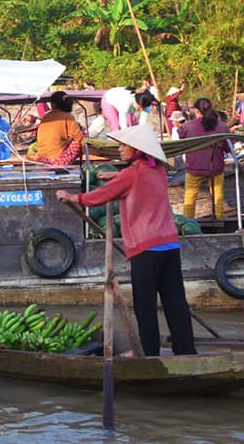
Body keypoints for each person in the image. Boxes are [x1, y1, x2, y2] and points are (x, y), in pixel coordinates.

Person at [56, 124, 196, 357]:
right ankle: (186, 351)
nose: (120, 149)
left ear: (138, 150)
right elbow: (134, 179)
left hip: (146, 247)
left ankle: (148, 353)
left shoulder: (132, 174)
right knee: (175, 301)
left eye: (124, 146)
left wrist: (72, 196)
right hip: (169, 245)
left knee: (145, 304)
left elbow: (100, 196)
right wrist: (116, 175)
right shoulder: (157, 169)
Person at [178, 97, 231, 219]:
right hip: (215, 168)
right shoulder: (222, 127)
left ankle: (188, 224)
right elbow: (229, 147)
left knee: (189, 200)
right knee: (218, 198)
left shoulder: (187, 127)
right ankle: (219, 222)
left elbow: (181, 137)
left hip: (194, 168)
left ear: (196, 111)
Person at [32, 91, 84, 165]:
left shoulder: (46, 116)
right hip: (56, 159)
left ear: (53, 104)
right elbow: (78, 137)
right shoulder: (68, 116)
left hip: (41, 158)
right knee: (80, 142)